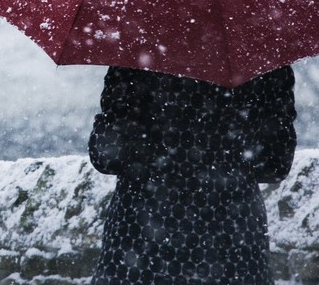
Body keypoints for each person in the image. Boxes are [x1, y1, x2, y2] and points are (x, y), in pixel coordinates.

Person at [88, 65, 297, 285]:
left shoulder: (135, 55)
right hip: (233, 242)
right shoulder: (260, 56)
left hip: (142, 241)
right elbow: (276, 164)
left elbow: (107, 157)